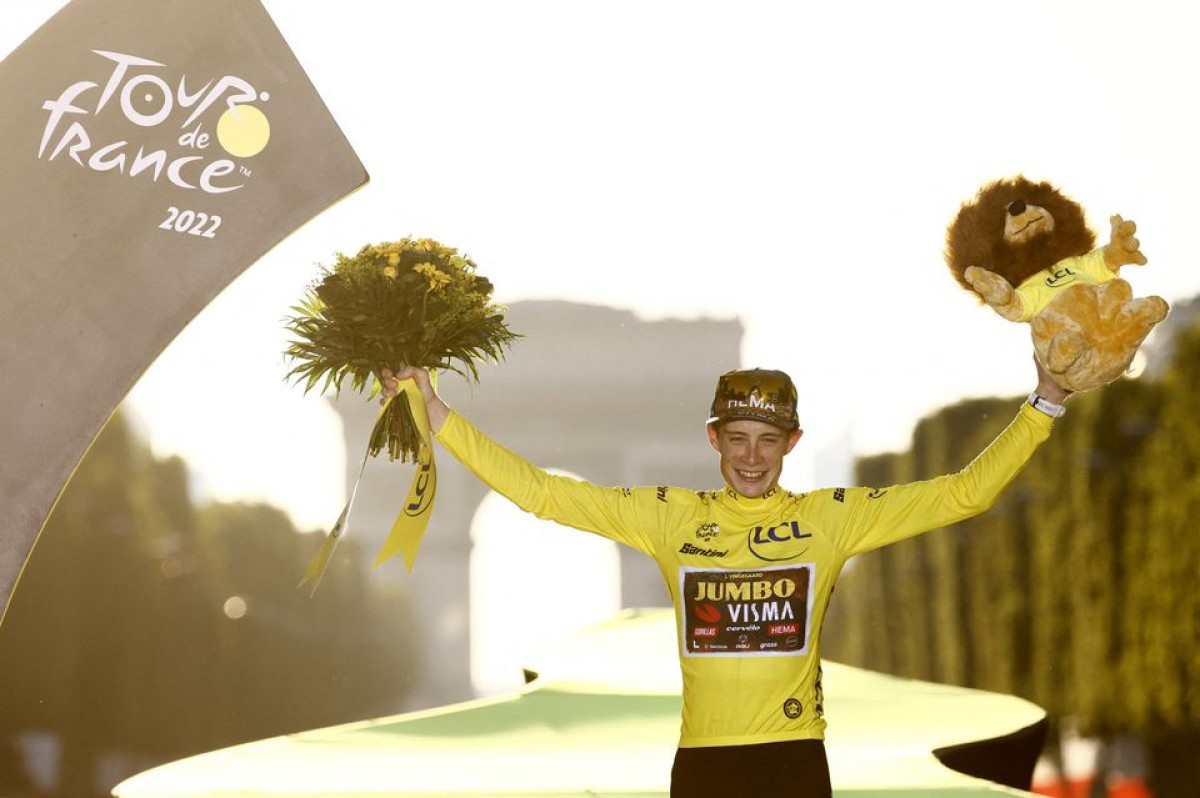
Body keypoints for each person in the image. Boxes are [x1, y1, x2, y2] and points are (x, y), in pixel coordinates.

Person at [382, 357, 1070, 797]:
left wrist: (1044, 403)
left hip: (794, 761)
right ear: (712, 439)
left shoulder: (829, 520)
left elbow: (963, 494)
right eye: (737, 438)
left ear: (792, 444)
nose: (752, 457)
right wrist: (437, 414)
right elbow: (542, 494)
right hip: (704, 766)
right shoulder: (670, 517)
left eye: (768, 441)